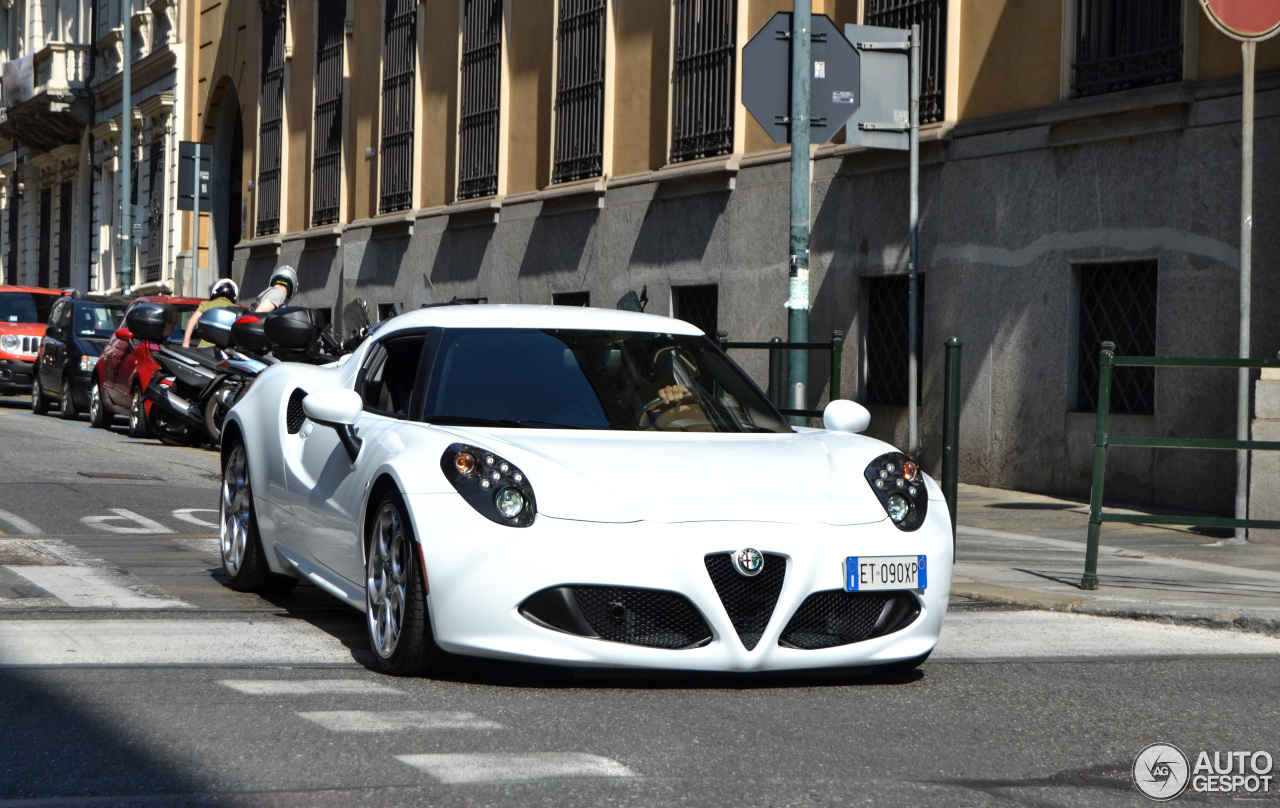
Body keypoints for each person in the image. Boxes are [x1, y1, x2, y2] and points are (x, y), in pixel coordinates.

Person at [182, 279, 239, 348]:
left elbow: (191, 322)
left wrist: (186, 344)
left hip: (205, 351)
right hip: (229, 352)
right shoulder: (238, 310)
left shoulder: (206, 305)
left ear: (214, 292)